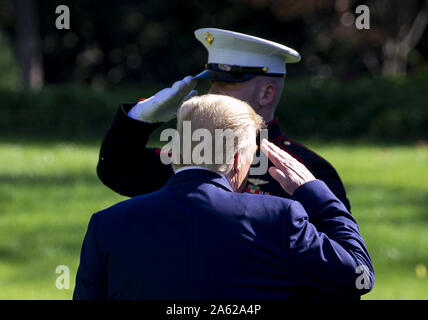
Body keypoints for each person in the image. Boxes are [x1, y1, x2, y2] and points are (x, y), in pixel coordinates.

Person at [74, 94, 374, 300]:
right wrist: (315, 193)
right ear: (235, 161)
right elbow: (357, 275)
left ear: (177, 151)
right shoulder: (280, 218)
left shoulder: (107, 225)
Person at [96, 28, 351, 210]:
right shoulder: (196, 153)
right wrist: (140, 118)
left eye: (228, 85)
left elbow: (332, 256)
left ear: (266, 93)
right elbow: (117, 169)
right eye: (213, 82)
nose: (213, 93)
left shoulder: (308, 168)